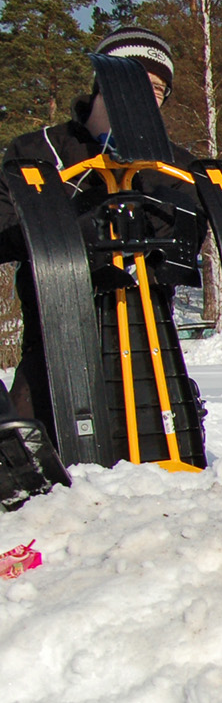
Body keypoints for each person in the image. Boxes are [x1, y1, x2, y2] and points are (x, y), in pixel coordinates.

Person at [1, 26, 188, 427]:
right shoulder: (37, 151)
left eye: (158, 90)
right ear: (104, 83)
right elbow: (3, 234)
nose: (147, 98)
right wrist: (75, 224)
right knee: (34, 466)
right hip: (54, 336)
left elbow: (181, 246)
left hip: (148, 344)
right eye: (136, 82)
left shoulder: (175, 165)